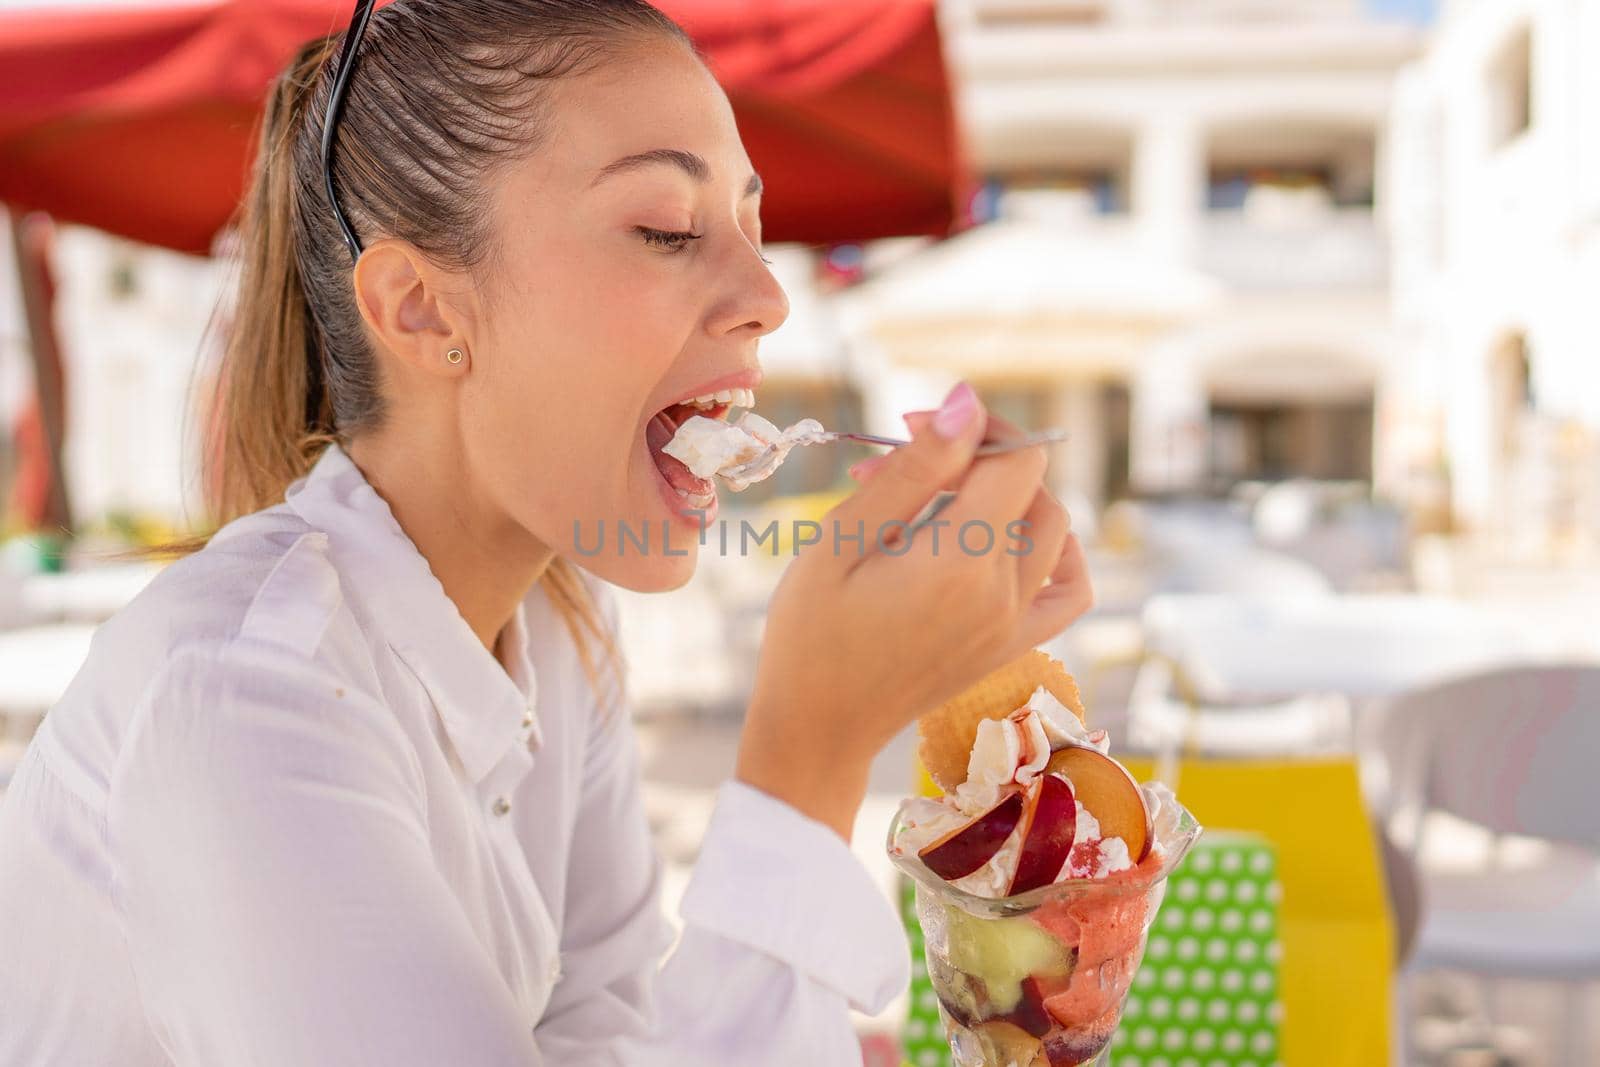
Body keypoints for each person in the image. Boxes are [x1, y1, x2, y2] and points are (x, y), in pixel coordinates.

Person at [0, 2, 1092, 1064]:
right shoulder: (245, 694)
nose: (767, 296)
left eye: (752, 229)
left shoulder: (561, 627)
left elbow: (598, 1037)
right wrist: (809, 751)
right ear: (423, 308)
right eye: (666, 227)